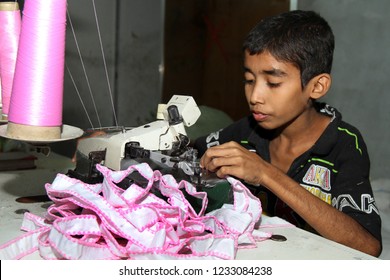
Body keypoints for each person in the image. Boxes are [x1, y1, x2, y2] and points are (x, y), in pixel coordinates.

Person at [194, 10, 382, 257]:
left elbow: (367, 246)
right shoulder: (246, 130)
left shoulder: (344, 143)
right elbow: (187, 154)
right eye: (249, 80)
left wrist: (265, 173)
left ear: (316, 86)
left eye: (273, 83)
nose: (255, 97)